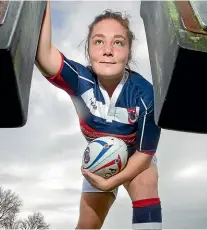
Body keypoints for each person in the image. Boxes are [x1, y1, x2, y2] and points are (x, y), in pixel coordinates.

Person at [35, 0, 162, 229]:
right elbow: (44, 55)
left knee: (147, 181)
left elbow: (144, 155)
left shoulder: (146, 95)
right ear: (89, 49)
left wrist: (111, 183)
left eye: (118, 43)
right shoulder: (80, 80)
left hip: (135, 160)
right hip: (99, 161)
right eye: (99, 41)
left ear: (129, 51)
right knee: (86, 226)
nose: (108, 50)